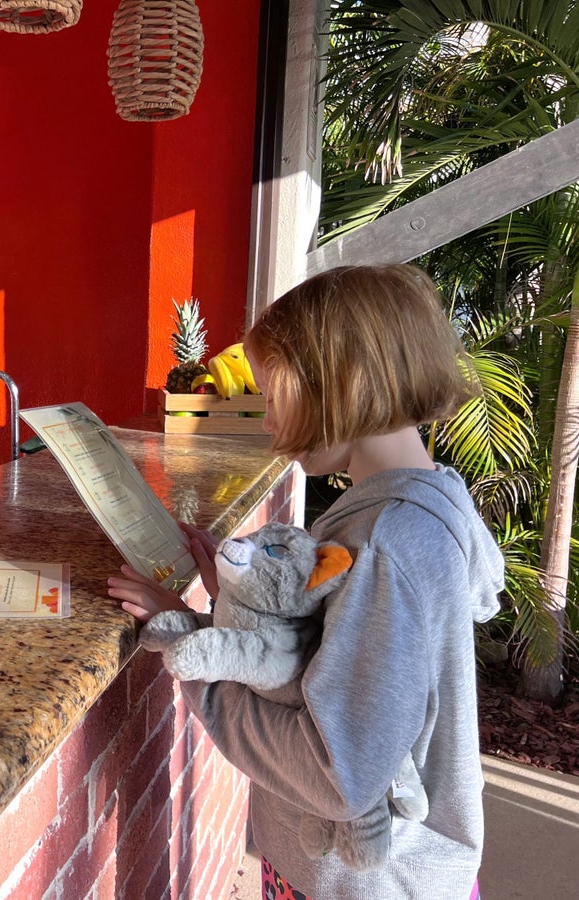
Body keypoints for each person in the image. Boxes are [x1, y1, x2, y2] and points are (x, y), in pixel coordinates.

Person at [109, 264, 503, 899]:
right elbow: (340, 661)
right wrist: (237, 597)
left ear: (340, 383)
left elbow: (340, 772)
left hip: (359, 880)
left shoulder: (385, 544)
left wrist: (198, 652)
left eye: (275, 394)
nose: (267, 420)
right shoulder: (428, 506)